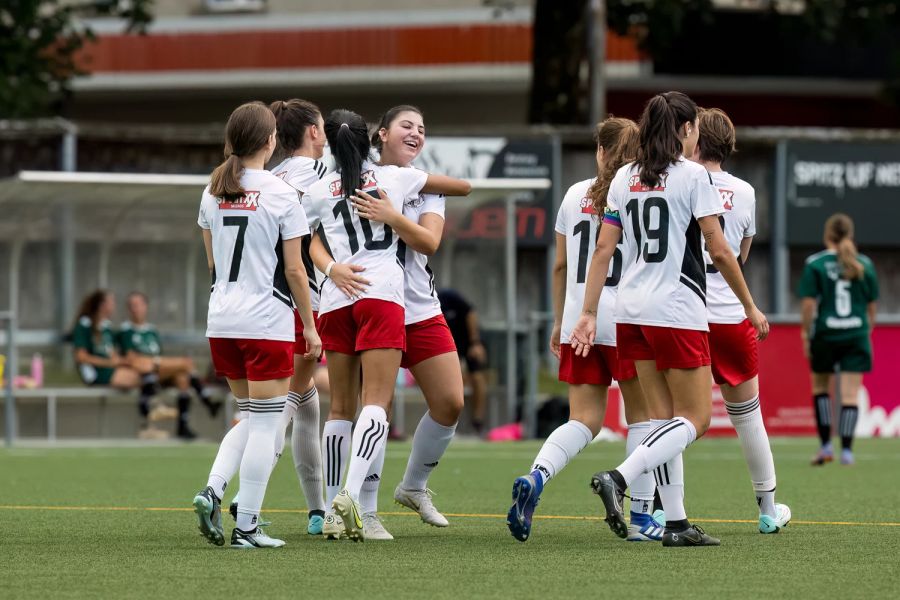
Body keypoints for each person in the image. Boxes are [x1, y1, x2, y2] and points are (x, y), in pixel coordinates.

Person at [571, 91, 769, 547]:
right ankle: (619, 477)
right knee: (695, 420)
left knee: (662, 422)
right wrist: (749, 305)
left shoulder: (623, 176)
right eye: (693, 126)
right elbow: (719, 249)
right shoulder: (694, 175)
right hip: (677, 309)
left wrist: (587, 312)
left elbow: (604, 250)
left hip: (630, 311)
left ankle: (676, 523)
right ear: (684, 130)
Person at [303, 108, 470, 542]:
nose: (416, 133)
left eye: (422, 127)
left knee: (449, 401)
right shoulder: (385, 177)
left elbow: (429, 241)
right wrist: (331, 267)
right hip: (376, 297)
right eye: (407, 126)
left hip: (411, 306)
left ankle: (410, 487)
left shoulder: (414, 184)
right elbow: (315, 242)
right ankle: (362, 508)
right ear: (380, 135)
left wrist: (392, 216)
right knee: (375, 406)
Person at [507, 117, 665, 543]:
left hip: (581, 319)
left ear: (600, 151)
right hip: (627, 318)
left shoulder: (574, 194)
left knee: (583, 421)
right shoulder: (638, 192)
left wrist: (560, 321)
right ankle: (641, 519)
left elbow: (559, 265)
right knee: (644, 420)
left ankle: (537, 478)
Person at [191, 101, 322, 549]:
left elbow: (213, 264)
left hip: (222, 320)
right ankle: (246, 525)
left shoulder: (212, 189)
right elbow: (296, 271)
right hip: (265, 321)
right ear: (270, 142)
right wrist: (308, 325)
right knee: (267, 427)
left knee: (250, 417)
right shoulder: (283, 194)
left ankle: (212, 488)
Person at [226, 99, 329, 536]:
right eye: (323, 129)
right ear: (311, 133)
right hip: (296, 303)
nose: (326, 136)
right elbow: (300, 257)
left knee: (305, 404)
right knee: (277, 412)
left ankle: (316, 509)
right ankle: (239, 503)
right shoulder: (318, 176)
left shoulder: (271, 176)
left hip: (254, 305)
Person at [691, 108, 791, 532]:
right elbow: (739, 255)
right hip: (731, 314)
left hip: (687, 313)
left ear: (694, 139)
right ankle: (768, 510)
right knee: (748, 416)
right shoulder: (746, 191)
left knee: (672, 418)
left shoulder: (679, 181)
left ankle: (657, 507)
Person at [799, 213, 878, 466]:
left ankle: (825, 447)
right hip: (856, 334)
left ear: (827, 235)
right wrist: (866, 329)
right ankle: (846, 452)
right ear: (850, 235)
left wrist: (805, 332)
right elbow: (871, 305)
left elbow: (809, 305)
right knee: (850, 395)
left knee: (821, 388)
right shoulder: (863, 263)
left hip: (826, 334)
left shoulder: (815, 264)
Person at [118, 291, 223, 440]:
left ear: (146, 306)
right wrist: (155, 362)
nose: (136, 309)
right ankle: (206, 400)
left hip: (157, 369)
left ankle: (183, 426)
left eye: (139, 305)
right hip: (143, 372)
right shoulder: (126, 330)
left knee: (182, 377)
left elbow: (157, 354)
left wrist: (159, 363)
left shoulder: (151, 331)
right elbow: (132, 358)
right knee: (185, 364)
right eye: (132, 306)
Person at [72, 290, 170, 435]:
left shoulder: (106, 327)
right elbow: (81, 357)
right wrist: (110, 363)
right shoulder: (85, 324)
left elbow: (111, 353)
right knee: (146, 376)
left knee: (145, 374)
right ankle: (151, 416)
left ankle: (149, 424)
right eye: (111, 302)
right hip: (96, 373)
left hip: (109, 370)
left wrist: (121, 361)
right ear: (102, 305)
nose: (114, 306)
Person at [437, 288, 488, 434]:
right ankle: (449, 420)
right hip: (448, 344)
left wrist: (475, 342)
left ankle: (478, 421)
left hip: (468, 342)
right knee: (450, 381)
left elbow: (470, 313)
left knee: (477, 378)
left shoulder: (448, 296)